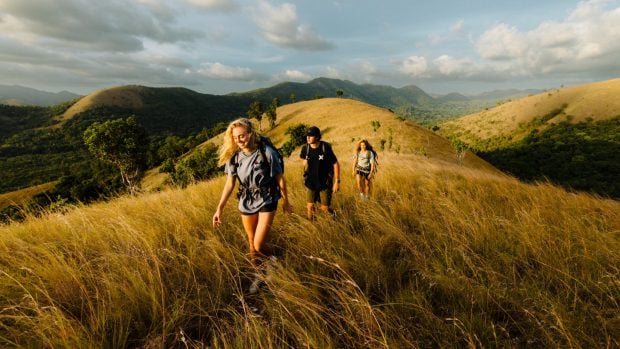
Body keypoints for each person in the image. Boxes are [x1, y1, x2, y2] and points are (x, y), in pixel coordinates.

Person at [213, 118, 293, 270]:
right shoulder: (234, 157)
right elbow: (230, 184)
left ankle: (275, 262)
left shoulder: (267, 153)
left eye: (241, 136)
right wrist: (219, 209)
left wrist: (286, 202)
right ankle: (258, 273)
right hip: (246, 199)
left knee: (259, 243)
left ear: (250, 134)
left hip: (267, 198)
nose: (239, 140)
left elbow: (280, 179)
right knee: (251, 242)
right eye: (235, 138)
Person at [299, 126, 340, 220]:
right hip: (310, 182)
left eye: (311, 136)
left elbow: (336, 164)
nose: (308, 138)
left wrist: (337, 181)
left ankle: (333, 214)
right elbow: (301, 157)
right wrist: (303, 161)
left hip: (324, 182)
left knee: (324, 208)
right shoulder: (305, 148)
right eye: (307, 136)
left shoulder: (325, 148)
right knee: (310, 206)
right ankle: (311, 225)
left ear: (317, 137)